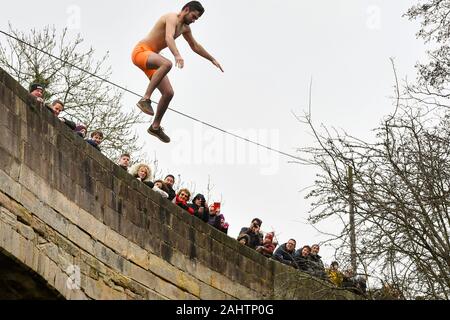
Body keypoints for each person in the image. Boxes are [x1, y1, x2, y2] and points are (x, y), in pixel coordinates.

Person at [131, 1, 224, 143]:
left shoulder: (185, 28)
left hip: (152, 60)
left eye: (196, 19)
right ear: (186, 9)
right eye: (193, 16)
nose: (193, 21)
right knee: (167, 63)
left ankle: (155, 127)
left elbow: (195, 46)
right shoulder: (171, 17)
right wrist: (177, 55)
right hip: (141, 52)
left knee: (169, 93)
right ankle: (145, 99)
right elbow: (169, 37)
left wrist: (211, 59)